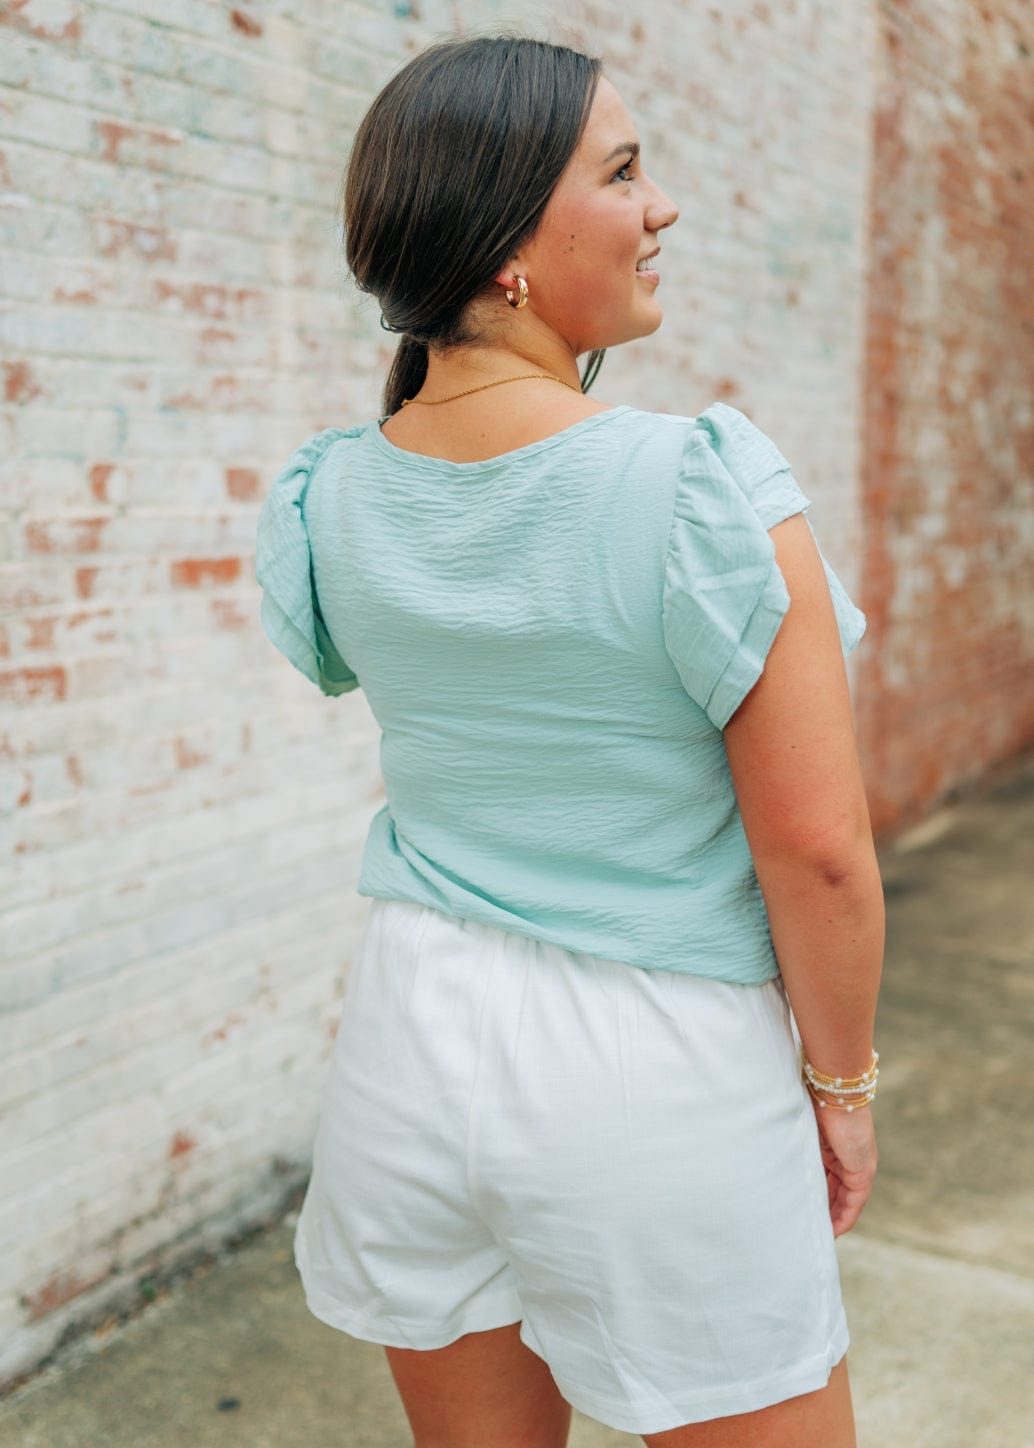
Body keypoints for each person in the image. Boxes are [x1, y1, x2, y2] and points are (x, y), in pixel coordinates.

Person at [255, 34, 884, 1448]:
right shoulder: (696, 488)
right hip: (654, 1071)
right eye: (620, 172)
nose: (660, 205)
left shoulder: (330, 494)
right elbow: (819, 853)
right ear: (503, 253)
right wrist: (840, 1090)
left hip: (408, 1049)